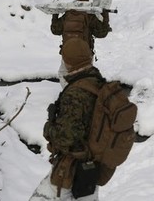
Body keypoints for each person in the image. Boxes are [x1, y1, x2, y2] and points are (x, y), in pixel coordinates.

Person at [30, 38, 102, 201]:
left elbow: (65, 138)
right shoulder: (98, 82)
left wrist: (49, 127)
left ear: (69, 62)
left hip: (70, 169)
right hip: (92, 169)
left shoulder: (75, 94)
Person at [50, 0, 112, 80]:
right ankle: (82, 90)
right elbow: (102, 34)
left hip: (67, 51)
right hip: (85, 52)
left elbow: (55, 30)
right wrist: (105, 16)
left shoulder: (68, 14)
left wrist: (55, 14)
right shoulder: (90, 15)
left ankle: (68, 90)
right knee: (85, 75)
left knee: (63, 73)